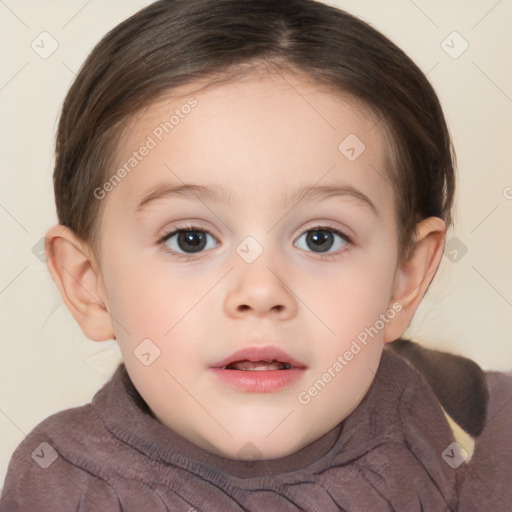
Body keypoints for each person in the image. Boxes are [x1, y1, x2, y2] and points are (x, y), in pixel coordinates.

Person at [1, 0, 510, 510]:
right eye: (191, 239)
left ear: (405, 278)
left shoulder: (465, 425)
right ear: (89, 284)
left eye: (321, 239)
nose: (261, 292)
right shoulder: (64, 487)